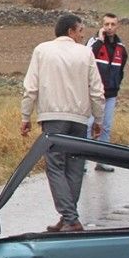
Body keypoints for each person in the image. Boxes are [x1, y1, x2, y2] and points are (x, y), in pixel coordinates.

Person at [21, 14, 106, 232]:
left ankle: (69, 217)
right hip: (79, 119)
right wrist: (98, 119)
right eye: (80, 30)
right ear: (70, 31)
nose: (83, 35)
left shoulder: (42, 51)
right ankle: (69, 216)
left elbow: (31, 87)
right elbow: (97, 90)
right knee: (75, 167)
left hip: (53, 118)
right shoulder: (86, 53)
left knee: (55, 167)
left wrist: (25, 116)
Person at [87, 13, 128, 172]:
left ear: (117, 26)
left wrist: (116, 85)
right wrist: (99, 40)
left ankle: (102, 160)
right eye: (106, 24)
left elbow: (121, 69)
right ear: (102, 25)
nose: (109, 27)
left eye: (113, 24)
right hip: (93, 93)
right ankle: (82, 162)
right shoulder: (93, 42)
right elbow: (86, 58)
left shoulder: (121, 47)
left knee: (106, 127)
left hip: (111, 93)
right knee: (88, 126)